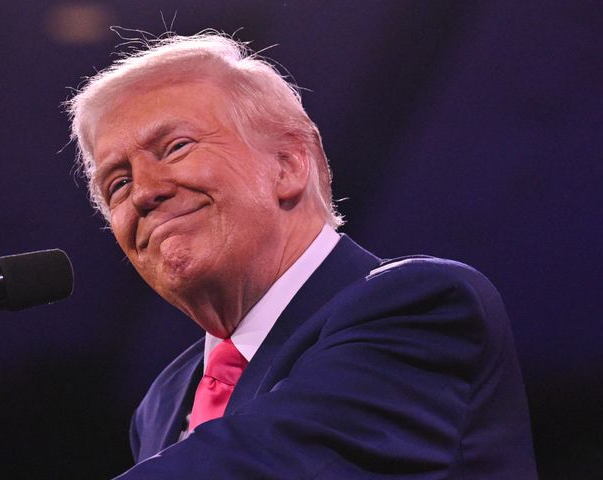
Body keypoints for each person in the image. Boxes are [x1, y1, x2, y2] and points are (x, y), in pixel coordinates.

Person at [67, 32, 537, 479]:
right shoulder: (163, 401)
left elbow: (274, 464)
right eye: (118, 183)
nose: (145, 191)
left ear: (288, 165)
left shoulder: (421, 308)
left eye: (176, 147)